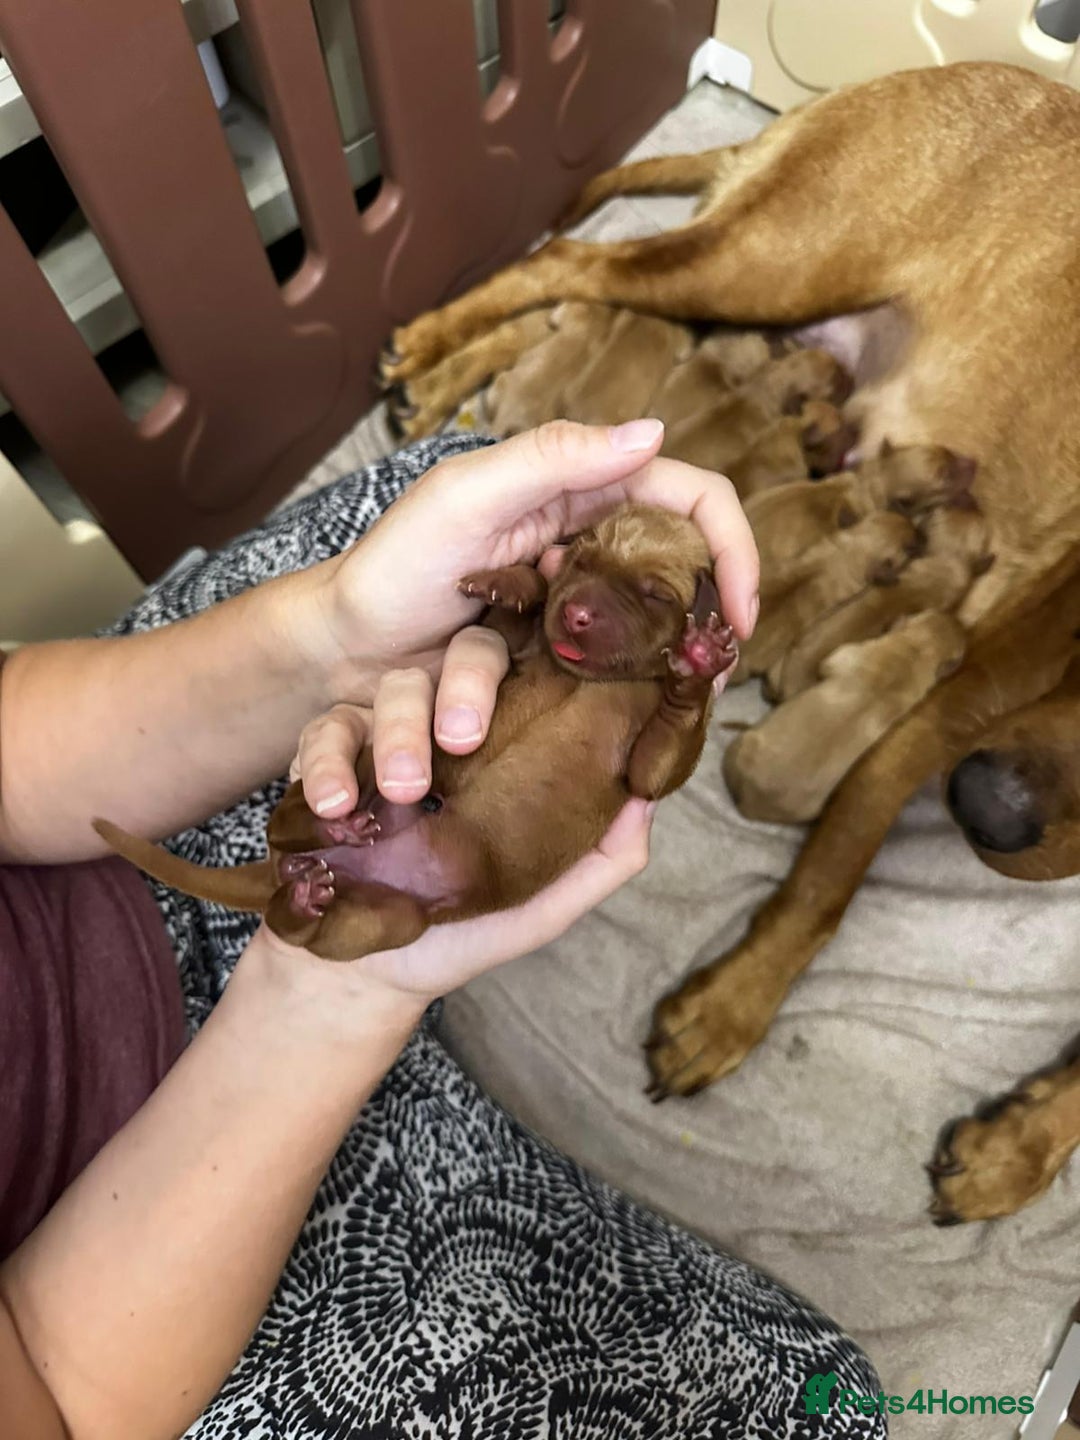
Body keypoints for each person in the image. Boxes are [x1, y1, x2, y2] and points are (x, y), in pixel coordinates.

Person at [0, 421, 883, 1439]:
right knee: (818, 1406)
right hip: (138, 1265)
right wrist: (328, 1001)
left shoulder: (605, 649)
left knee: (489, 495)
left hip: (222, 836)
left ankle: (330, 872)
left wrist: (330, 638)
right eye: (590, 583)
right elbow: (62, 1399)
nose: (588, 600)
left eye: (632, 598)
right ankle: (330, 908)